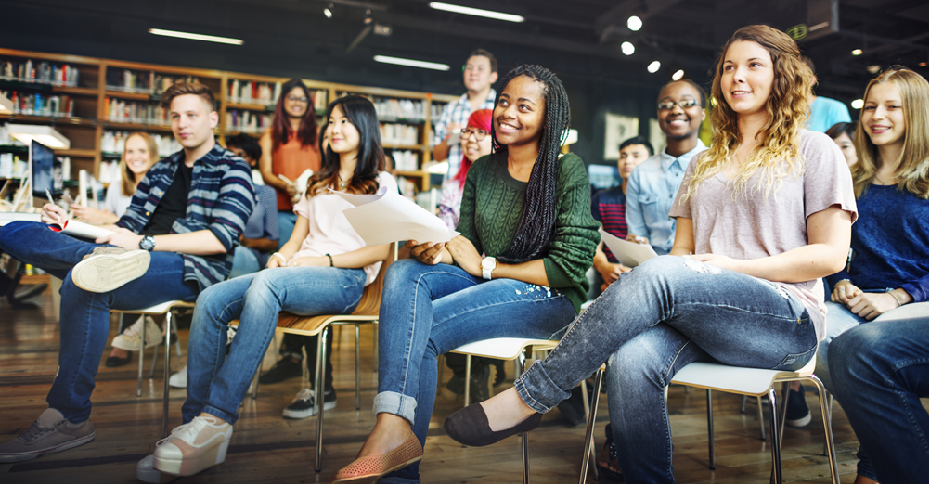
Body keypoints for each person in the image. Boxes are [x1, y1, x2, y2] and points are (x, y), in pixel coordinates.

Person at [444, 25, 857, 484]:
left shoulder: (814, 148)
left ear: (783, 75)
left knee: (662, 278)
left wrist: (733, 268)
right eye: (728, 68)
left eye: (753, 65)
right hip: (705, 316)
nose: (737, 77)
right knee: (632, 356)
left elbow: (830, 255)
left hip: (785, 319)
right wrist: (643, 279)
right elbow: (681, 253)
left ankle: (530, 396)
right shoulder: (704, 162)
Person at [333, 65, 599, 484]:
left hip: (548, 296)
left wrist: (488, 265)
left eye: (524, 106)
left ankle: (398, 469)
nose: (507, 112)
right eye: (504, 102)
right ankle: (392, 426)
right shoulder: (482, 171)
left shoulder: (568, 171)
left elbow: (570, 265)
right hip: (490, 282)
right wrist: (438, 249)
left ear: (550, 119)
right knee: (405, 271)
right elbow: (469, 249)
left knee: (419, 331)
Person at [134, 94, 396, 481]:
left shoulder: (381, 182)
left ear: (365, 129)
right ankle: (194, 427)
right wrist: (281, 256)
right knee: (211, 298)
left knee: (267, 286)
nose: (335, 129)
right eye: (332, 121)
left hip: (346, 279)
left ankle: (217, 419)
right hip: (296, 272)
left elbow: (377, 249)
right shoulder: (316, 181)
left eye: (345, 122)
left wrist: (321, 261)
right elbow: (297, 238)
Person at [0, 82, 254, 464]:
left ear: (212, 118)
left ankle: (69, 416)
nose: (182, 123)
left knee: (85, 278)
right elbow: (126, 224)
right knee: (13, 230)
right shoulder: (161, 170)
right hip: (125, 254)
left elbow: (220, 239)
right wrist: (68, 224)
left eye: (191, 115)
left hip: (189, 267)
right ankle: (93, 256)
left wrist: (143, 244)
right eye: (175, 116)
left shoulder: (233, 167)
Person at [809, 68, 929, 481]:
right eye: (871, 106)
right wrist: (837, 281)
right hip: (856, 299)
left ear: (917, 113)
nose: (876, 115)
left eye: (892, 106)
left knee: (860, 352)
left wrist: (898, 296)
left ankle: (874, 467)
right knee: (816, 339)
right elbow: (830, 250)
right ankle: (886, 459)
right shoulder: (851, 180)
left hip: (916, 303)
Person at [69, 132, 161, 367]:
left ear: (153, 154)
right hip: (119, 243)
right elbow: (112, 224)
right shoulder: (118, 186)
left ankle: (123, 340)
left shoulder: (162, 187)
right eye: (130, 151)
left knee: (126, 267)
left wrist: (106, 217)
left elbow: (148, 228)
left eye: (142, 151)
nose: (135, 157)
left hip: (147, 248)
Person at [435, 108, 502, 403]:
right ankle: (468, 370)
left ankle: (480, 368)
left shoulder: (509, 186)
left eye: (480, 132)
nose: (470, 139)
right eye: (467, 132)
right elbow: (446, 235)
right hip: (460, 266)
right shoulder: (451, 188)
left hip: (497, 270)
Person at [829, 312, 929, 484]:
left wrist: (899, 295)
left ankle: (871, 470)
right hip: (853, 301)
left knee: (859, 354)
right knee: (842, 348)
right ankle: (873, 468)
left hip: (909, 298)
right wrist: (843, 284)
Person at [625, 79, 707, 255]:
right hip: (652, 269)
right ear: (658, 113)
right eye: (667, 105)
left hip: (703, 270)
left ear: (703, 113)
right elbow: (636, 234)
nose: (676, 110)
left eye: (687, 103)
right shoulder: (640, 174)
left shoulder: (719, 165)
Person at [259, 78, 321, 249]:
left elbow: (326, 169)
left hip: (314, 210)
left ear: (309, 103)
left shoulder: (319, 135)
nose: (298, 103)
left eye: (303, 99)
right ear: (283, 100)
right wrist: (286, 186)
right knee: (286, 258)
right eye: (292, 98)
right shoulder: (269, 135)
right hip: (282, 210)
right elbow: (266, 172)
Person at [591, 136, 654, 292]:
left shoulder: (659, 201)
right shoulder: (601, 199)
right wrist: (604, 266)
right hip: (613, 276)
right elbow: (592, 243)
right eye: (623, 156)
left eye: (636, 156)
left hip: (650, 276)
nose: (627, 161)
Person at [432, 49, 498, 182]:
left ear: (493, 76)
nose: (473, 72)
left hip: (490, 187)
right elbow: (437, 156)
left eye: (480, 68)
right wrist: (454, 137)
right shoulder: (451, 109)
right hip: (454, 189)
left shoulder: (501, 108)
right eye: (469, 68)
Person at [225, 133, 279, 279]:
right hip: (218, 250)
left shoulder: (266, 193)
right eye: (229, 154)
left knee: (227, 258)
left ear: (253, 161)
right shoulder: (216, 190)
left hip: (250, 254)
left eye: (241, 155)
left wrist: (243, 241)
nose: (234, 159)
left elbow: (273, 241)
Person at [804, 56, 853, 133]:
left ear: (812, 80)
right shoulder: (782, 111)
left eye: (799, 77)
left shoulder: (835, 108)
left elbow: (845, 142)